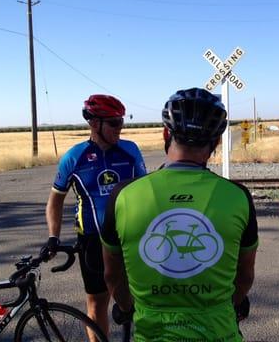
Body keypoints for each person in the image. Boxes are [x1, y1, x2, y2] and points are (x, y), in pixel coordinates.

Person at [101, 87, 258, 341]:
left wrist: (126, 306)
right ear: (216, 142)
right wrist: (232, 302)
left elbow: (112, 273)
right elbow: (245, 276)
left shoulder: (123, 195)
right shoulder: (237, 196)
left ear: (166, 133)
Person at [42, 94, 146, 339]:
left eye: (121, 121)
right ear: (93, 123)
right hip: (92, 240)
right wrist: (53, 237)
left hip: (130, 237)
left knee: (139, 300)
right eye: (114, 123)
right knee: (97, 303)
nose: (119, 128)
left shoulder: (130, 150)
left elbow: (146, 192)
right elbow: (55, 200)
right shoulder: (74, 157)